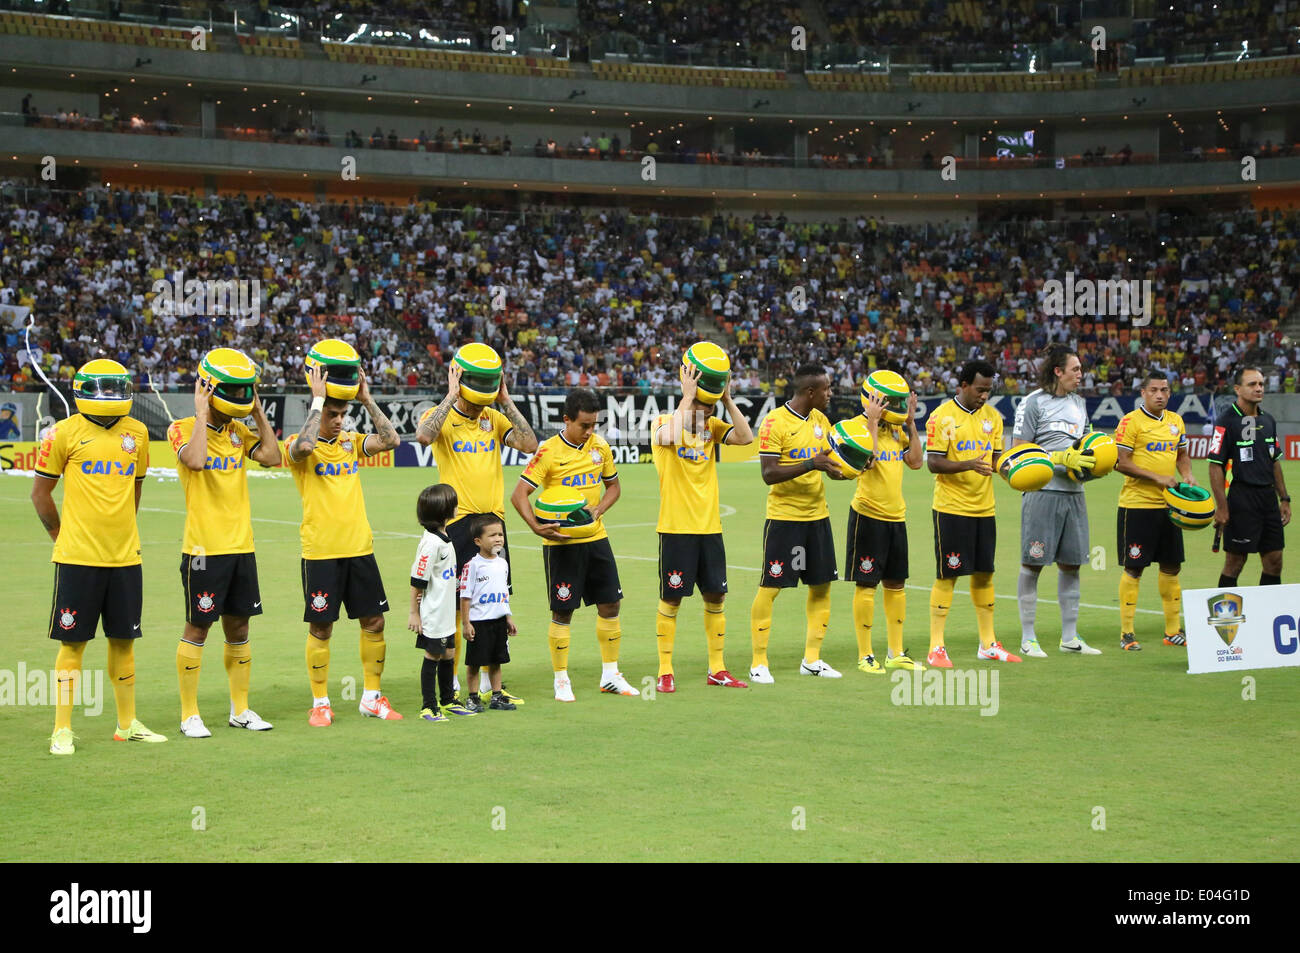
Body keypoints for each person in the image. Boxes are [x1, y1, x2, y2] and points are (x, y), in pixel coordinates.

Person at [32, 358, 166, 754]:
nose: (109, 395)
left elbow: (135, 489)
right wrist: (59, 535)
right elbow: (40, 493)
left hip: (126, 558)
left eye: (115, 388)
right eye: (102, 388)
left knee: (124, 642)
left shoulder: (138, 433)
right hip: (77, 559)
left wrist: (123, 527)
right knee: (72, 644)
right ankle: (61, 730)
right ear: (84, 390)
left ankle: (127, 725)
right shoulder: (61, 434)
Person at [286, 339, 402, 725]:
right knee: (322, 626)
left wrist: (366, 400)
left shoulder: (351, 443)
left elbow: (392, 441)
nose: (339, 420)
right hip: (320, 551)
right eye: (333, 414)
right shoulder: (301, 445)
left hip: (359, 548)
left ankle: (371, 697)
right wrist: (318, 402)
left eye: (342, 414)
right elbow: (302, 448)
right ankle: (320, 702)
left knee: (375, 622)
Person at [169, 348, 281, 738]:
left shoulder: (238, 430)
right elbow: (196, 461)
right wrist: (201, 412)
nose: (238, 397)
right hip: (203, 551)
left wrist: (258, 412)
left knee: (239, 629)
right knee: (198, 627)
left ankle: (241, 709)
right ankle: (189, 714)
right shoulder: (182, 428)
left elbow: (272, 456)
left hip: (241, 548)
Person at [416, 343, 535, 703]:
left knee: (492, 603)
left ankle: (488, 683)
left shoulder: (493, 418)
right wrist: (451, 395)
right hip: (458, 523)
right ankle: (451, 681)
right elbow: (424, 436)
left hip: (493, 521)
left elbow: (529, 444)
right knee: (456, 604)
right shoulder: (441, 416)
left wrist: (507, 401)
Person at [510, 387, 636, 701]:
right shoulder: (548, 451)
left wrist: (601, 508)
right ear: (566, 419)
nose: (590, 431)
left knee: (611, 604)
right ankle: (561, 679)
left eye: (594, 425)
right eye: (584, 425)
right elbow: (518, 494)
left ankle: (610, 675)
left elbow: (614, 487)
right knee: (563, 610)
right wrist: (538, 528)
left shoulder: (601, 447)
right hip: (562, 543)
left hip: (596, 538)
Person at [650, 344, 754, 693]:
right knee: (672, 599)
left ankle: (717, 669)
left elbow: (745, 437)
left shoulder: (713, 426)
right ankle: (665, 671)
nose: (704, 411)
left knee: (716, 597)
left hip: (710, 528)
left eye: (707, 406)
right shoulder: (664, 422)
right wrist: (686, 398)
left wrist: (724, 400)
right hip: (676, 528)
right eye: (701, 405)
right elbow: (667, 437)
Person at [749, 363, 850, 684]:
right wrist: (812, 463)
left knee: (821, 587)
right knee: (772, 587)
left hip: (817, 518)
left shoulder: (821, 421)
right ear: (811, 391)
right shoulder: (774, 422)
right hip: (785, 520)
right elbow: (768, 474)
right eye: (827, 389)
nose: (831, 394)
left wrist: (841, 467)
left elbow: (829, 460)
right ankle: (759, 662)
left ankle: (812, 659)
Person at [925, 360, 1021, 666]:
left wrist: (1016, 473)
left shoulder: (993, 417)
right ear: (963, 385)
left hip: (984, 509)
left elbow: (994, 461)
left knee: (984, 574)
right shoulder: (942, 417)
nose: (984, 395)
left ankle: (988, 643)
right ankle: (936, 646)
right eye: (980, 389)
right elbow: (933, 463)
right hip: (951, 509)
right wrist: (969, 464)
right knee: (948, 574)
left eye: (988, 390)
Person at [1011, 346, 1102, 658]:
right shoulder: (1033, 402)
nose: (1081, 375)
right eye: (1075, 369)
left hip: (1074, 494)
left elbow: (1084, 447)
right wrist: (1057, 458)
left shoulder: (1079, 403)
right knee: (1033, 563)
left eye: (1081, 369)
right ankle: (1027, 637)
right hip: (1043, 492)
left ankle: (1069, 637)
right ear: (1058, 371)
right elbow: (1019, 450)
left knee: (1072, 564)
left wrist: (1093, 464)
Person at [845, 377, 925, 674]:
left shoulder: (897, 430)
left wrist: (912, 424)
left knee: (896, 585)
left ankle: (895, 652)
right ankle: (865, 654)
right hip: (868, 515)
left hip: (896, 517)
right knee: (867, 585)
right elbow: (867, 460)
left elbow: (916, 462)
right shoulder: (856, 426)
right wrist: (872, 423)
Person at [1114, 370, 1193, 651]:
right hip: (1137, 506)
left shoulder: (1176, 421)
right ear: (1143, 393)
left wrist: (1187, 475)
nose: (1161, 395)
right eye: (1155, 390)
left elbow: (1182, 455)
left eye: (1165, 390)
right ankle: (1126, 632)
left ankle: (1173, 631)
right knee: (1134, 567)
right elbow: (1121, 462)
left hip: (1169, 507)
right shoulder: (1130, 422)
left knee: (1172, 566)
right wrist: (1157, 477)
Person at [1209, 367, 1290, 590]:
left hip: (1268, 500)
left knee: (1274, 561)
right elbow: (1215, 466)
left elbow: (1274, 460)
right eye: (1252, 384)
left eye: (1261, 384)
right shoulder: (1226, 421)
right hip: (1242, 499)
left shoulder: (1269, 421)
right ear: (1237, 389)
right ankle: (1224, 620)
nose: (1259, 388)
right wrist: (1222, 507)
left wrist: (1284, 498)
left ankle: (1268, 616)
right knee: (1235, 562)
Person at [408, 484, 474, 722]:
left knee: (449, 652)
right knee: (433, 654)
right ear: (445, 510)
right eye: (454, 503)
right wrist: (414, 613)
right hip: (434, 612)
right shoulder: (431, 544)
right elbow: (417, 579)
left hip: (446, 609)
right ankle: (428, 706)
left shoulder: (445, 537)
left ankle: (447, 700)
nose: (457, 506)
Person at [459, 515, 517, 712]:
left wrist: (508, 617)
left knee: (497, 661)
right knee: (474, 663)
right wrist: (466, 623)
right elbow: (465, 597)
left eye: (500, 534)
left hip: (498, 621)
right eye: (492, 535)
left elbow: (504, 593)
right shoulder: (472, 566)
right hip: (479, 622)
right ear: (478, 541)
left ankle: (497, 696)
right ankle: (473, 698)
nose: (498, 538)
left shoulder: (502, 564)